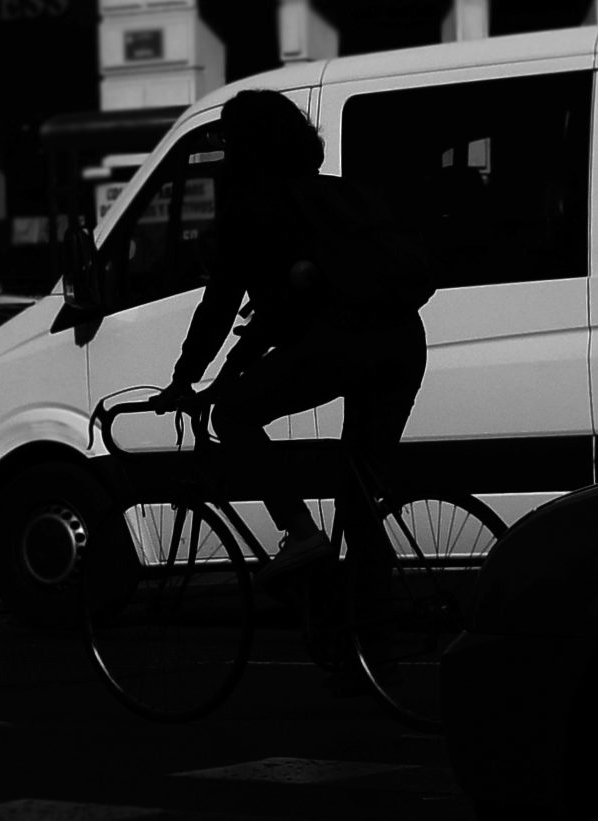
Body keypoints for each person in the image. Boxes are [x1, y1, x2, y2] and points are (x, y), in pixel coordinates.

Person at [153, 89, 430, 601]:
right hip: (403, 343)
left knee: (232, 416)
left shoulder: (252, 209)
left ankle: (300, 533)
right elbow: (283, 311)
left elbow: (221, 306)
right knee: (358, 495)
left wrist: (186, 378)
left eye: (227, 141)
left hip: (345, 344)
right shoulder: (340, 195)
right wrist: (230, 368)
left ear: (246, 147)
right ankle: (370, 630)